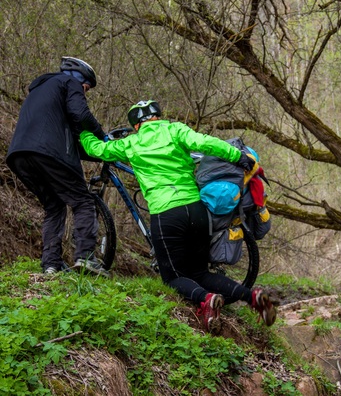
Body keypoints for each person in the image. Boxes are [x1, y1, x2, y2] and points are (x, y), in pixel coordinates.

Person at [79, 100, 277, 333]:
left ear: (135, 126)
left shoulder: (131, 143)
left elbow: (97, 150)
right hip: (196, 210)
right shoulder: (176, 130)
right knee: (200, 272)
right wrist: (237, 156)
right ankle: (251, 296)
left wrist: (82, 130)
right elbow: (207, 143)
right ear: (159, 117)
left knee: (172, 278)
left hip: (166, 213)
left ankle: (206, 300)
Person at [6, 57, 108, 276]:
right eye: (87, 88)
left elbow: (69, 139)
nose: (85, 92)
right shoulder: (69, 82)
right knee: (82, 200)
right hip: (49, 153)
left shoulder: (39, 93)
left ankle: (51, 264)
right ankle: (85, 257)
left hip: (19, 155)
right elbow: (80, 114)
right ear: (80, 78)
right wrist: (103, 137)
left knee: (54, 206)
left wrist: (99, 156)